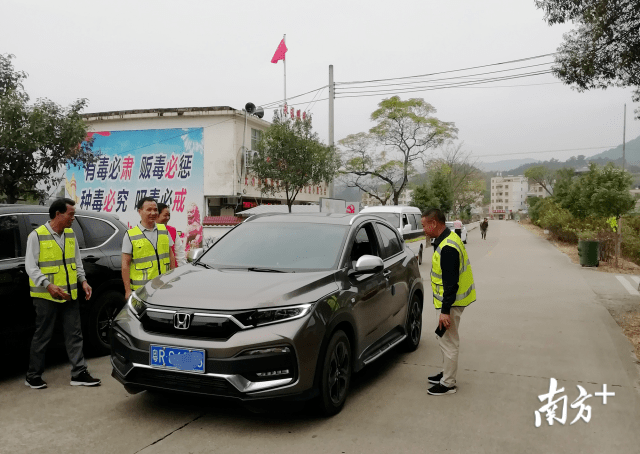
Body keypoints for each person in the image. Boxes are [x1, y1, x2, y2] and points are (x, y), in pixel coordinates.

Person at [25, 198, 101, 389]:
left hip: (69, 294)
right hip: (45, 296)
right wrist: (48, 285)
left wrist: (83, 281)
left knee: (75, 334)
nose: (73, 218)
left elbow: (76, 262)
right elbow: (30, 267)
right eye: (71, 214)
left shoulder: (70, 235)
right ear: (58, 214)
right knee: (42, 335)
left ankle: (79, 373)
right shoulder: (37, 235)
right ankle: (33, 375)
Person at [421, 208, 476, 396]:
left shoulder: (448, 247)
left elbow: (451, 284)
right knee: (444, 338)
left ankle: (448, 384)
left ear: (433, 223)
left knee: (449, 342)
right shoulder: (446, 239)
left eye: (424, 226)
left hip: (450, 304)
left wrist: (445, 311)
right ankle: (446, 373)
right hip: (447, 302)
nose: (423, 230)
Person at [122, 197, 175, 300]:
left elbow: (171, 255)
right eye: (149, 210)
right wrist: (127, 290)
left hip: (163, 287)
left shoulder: (164, 230)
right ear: (140, 211)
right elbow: (125, 264)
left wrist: (172, 279)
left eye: (155, 210)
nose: (153, 213)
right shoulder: (130, 235)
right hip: (142, 291)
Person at [156, 203, 186, 267]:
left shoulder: (172, 230)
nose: (168, 218)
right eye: (165, 215)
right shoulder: (148, 231)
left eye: (169, 215)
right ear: (156, 215)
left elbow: (179, 253)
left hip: (171, 273)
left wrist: (180, 270)